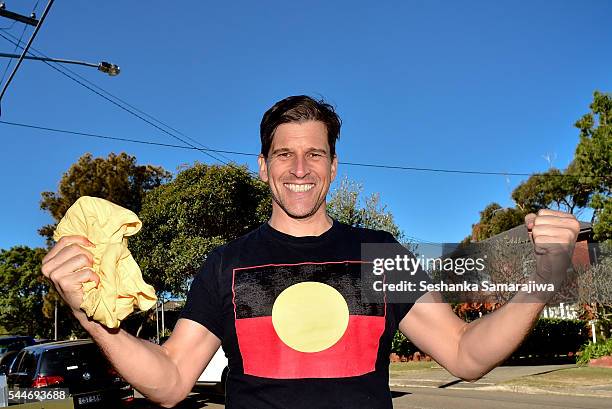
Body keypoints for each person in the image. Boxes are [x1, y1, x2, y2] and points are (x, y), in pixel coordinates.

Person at [41, 95, 580, 408]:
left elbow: (466, 355)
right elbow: (171, 382)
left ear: (333, 167)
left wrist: (547, 274)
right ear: (263, 166)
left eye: (314, 154)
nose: (300, 169)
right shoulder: (226, 264)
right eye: (285, 154)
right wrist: (92, 314)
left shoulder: (377, 255)